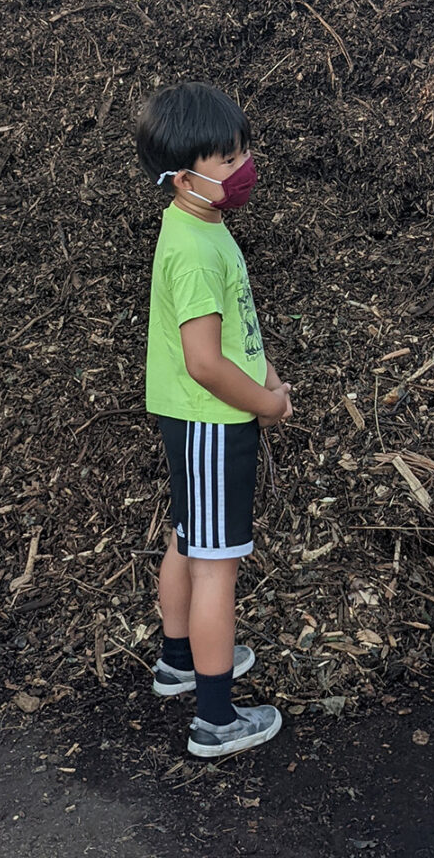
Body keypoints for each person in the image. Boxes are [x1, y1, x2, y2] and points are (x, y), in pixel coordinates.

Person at [132, 81, 294, 759]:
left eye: (244, 150)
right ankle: (217, 718)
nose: (245, 167)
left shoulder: (199, 223)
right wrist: (267, 404)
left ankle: (177, 660)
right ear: (184, 175)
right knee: (216, 564)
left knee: (188, 537)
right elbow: (204, 361)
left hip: (196, 421)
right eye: (228, 160)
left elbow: (237, 333)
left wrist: (267, 372)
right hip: (213, 420)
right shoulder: (196, 251)